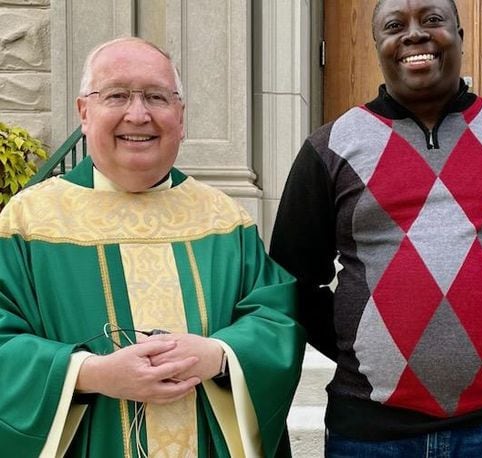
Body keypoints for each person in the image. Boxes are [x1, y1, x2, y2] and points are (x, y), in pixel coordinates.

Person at [270, 0, 482, 456]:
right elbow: (292, 278)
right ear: (379, 46)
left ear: (460, 36)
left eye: (432, 20)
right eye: (395, 26)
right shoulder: (331, 146)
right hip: (369, 433)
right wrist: (365, 351)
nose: (414, 35)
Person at [0, 37, 304, 457]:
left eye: (157, 97)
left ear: (180, 117)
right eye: (117, 95)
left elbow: (275, 319)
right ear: (84, 113)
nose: (138, 114)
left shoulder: (223, 218)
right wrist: (90, 373)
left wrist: (218, 356)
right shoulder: (26, 221)